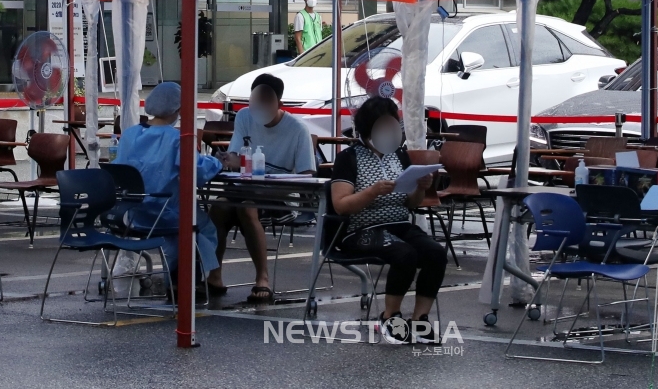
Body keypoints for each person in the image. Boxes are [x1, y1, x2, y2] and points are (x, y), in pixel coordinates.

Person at [331, 96, 445, 344]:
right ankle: (390, 315)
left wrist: (420, 188)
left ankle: (419, 319)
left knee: (435, 252)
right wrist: (372, 192)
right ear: (367, 129)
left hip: (399, 223)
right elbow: (341, 205)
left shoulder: (399, 156)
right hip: (360, 229)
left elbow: (411, 204)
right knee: (404, 254)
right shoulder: (349, 158)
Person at [207, 73, 314, 303]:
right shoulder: (245, 116)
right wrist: (228, 159)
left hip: (281, 193)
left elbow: (307, 176)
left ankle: (262, 279)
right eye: (257, 100)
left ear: (279, 103)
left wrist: (272, 180)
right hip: (245, 186)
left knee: (247, 208)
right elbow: (235, 157)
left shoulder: (298, 129)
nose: (260, 106)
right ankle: (214, 274)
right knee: (218, 206)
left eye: (267, 100)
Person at [112, 82, 226, 297]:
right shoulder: (178, 139)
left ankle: (176, 279)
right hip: (167, 212)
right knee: (203, 227)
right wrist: (218, 162)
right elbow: (198, 172)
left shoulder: (129, 135)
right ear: (178, 109)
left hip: (133, 213)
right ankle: (192, 279)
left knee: (179, 233)